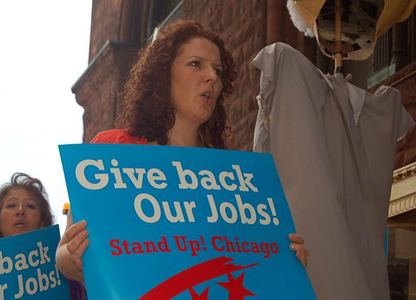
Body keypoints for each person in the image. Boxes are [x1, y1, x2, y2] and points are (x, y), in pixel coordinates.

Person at [56, 19, 309, 287]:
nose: (212, 76)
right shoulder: (114, 150)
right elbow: (63, 256)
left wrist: (287, 261)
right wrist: (74, 256)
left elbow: (246, 268)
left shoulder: (233, 178)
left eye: (218, 70)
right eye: (196, 64)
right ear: (164, 74)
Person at [0, 172, 86, 299]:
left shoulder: (66, 277)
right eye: (11, 205)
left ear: (42, 223)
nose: (20, 211)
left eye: (30, 206)